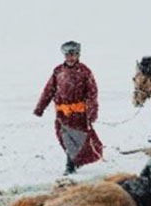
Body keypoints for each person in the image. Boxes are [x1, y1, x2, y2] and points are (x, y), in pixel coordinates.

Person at [34, 41, 103, 174]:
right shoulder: (58, 71)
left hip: (79, 116)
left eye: (73, 54)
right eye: (67, 55)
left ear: (78, 55)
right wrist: (40, 108)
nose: (70, 58)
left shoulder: (85, 72)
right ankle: (72, 163)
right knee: (65, 140)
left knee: (78, 141)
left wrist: (92, 112)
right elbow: (48, 90)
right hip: (62, 115)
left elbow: (92, 94)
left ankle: (71, 165)